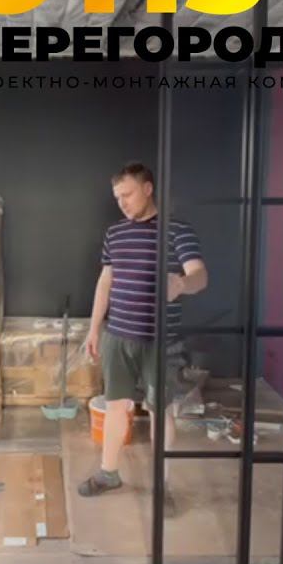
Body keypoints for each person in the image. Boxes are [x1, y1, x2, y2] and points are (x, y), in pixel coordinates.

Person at [78, 162, 207, 509]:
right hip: (118, 336)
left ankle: (162, 487)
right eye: (117, 197)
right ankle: (108, 473)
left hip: (160, 341)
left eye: (128, 194)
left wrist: (182, 284)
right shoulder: (115, 233)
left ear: (148, 189)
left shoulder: (177, 231)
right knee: (115, 406)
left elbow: (200, 275)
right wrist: (94, 328)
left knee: (159, 411)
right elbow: (106, 281)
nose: (122, 202)